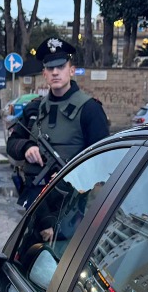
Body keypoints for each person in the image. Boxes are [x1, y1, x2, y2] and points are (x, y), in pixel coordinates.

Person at [6, 37, 110, 207]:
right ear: (44, 74)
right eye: (50, 68)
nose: (55, 72)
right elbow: (12, 143)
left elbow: (102, 160)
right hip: (36, 206)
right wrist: (27, 148)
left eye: (61, 66)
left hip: (73, 206)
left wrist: (72, 176)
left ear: (72, 70)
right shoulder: (34, 108)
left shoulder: (90, 109)